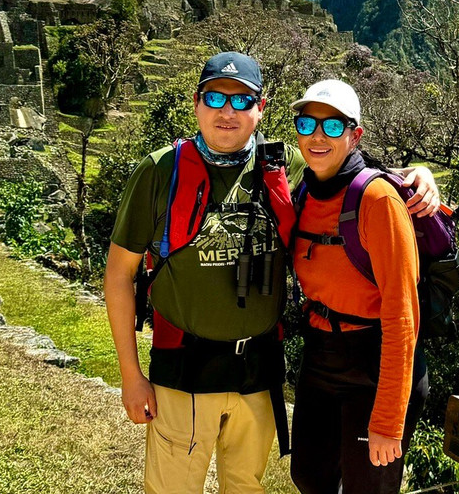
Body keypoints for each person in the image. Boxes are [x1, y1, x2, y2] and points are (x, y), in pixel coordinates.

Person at [105, 53, 439, 494]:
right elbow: (118, 276)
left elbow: (349, 175)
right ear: (196, 103)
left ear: (260, 107)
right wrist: (131, 376)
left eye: (241, 100)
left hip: (259, 375)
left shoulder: (281, 168)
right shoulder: (160, 170)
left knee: (248, 486)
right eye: (215, 98)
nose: (228, 112)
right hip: (184, 371)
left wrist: (416, 177)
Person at [288, 79, 428, 494]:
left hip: (374, 363)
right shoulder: (304, 190)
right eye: (307, 123)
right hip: (321, 357)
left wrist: (387, 421)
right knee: (309, 477)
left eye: (332, 127)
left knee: (368, 488)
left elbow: (403, 317)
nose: (317, 136)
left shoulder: (378, 201)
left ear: (355, 135)